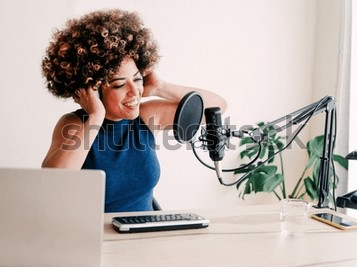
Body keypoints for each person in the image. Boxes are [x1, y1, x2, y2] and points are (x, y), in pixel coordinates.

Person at [40, 9, 226, 212]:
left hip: (145, 235)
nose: (134, 91)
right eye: (120, 84)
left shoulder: (145, 117)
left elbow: (215, 108)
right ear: (94, 88)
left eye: (137, 79)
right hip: (98, 239)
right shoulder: (74, 124)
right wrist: (96, 115)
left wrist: (160, 87)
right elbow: (54, 181)